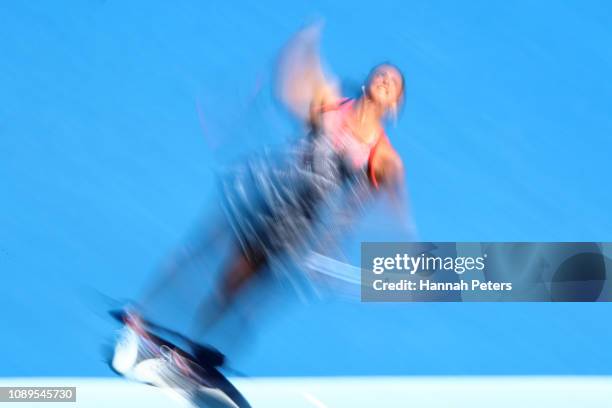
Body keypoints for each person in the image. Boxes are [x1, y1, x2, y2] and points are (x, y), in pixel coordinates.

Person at [110, 24, 407, 405]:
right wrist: (299, 51)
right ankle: (141, 317)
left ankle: (193, 355)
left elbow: (360, 208)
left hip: (296, 221)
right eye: (381, 74)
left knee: (242, 285)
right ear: (366, 82)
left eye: (393, 83)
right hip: (268, 190)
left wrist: (337, 246)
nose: (385, 79)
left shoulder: (382, 157)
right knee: (205, 246)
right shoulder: (330, 103)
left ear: (394, 106)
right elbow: (289, 84)